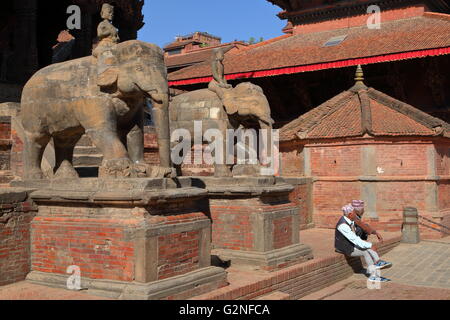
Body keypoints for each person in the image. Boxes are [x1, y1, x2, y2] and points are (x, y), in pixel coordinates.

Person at [335, 200, 392, 282]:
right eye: (354, 212)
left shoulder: (350, 220)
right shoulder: (343, 225)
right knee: (366, 251)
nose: (356, 214)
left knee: (368, 249)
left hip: (351, 244)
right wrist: (369, 245)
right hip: (345, 248)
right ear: (350, 214)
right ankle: (374, 273)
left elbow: (363, 228)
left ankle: (377, 264)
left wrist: (370, 242)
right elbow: (354, 239)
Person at [93, 3, 120, 88]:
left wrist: (116, 38)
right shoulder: (102, 24)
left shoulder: (113, 26)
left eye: (112, 13)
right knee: (105, 54)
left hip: (113, 44)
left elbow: (117, 37)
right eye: (109, 12)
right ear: (102, 13)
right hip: (104, 44)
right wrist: (109, 32)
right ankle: (104, 76)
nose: (111, 14)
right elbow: (100, 34)